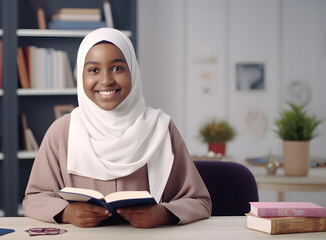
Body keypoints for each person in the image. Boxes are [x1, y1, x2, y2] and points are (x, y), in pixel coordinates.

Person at [23, 28, 212, 228]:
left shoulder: (161, 128)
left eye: (117, 68)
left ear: (133, 71)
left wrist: (163, 214)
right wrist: (67, 212)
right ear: (80, 76)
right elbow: (33, 199)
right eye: (94, 70)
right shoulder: (62, 131)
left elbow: (200, 202)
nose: (106, 80)